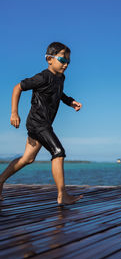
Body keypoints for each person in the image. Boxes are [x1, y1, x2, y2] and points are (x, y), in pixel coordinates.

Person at [0, 42, 83, 206]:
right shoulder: (42, 77)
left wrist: (70, 101)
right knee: (58, 151)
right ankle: (62, 195)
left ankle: (0, 181)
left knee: (27, 159)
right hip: (37, 123)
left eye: (68, 61)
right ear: (49, 59)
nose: (65, 64)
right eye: (62, 59)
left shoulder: (60, 78)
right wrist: (14, 113)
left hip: (43, 124)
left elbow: (59, 93)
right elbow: (18, 88)